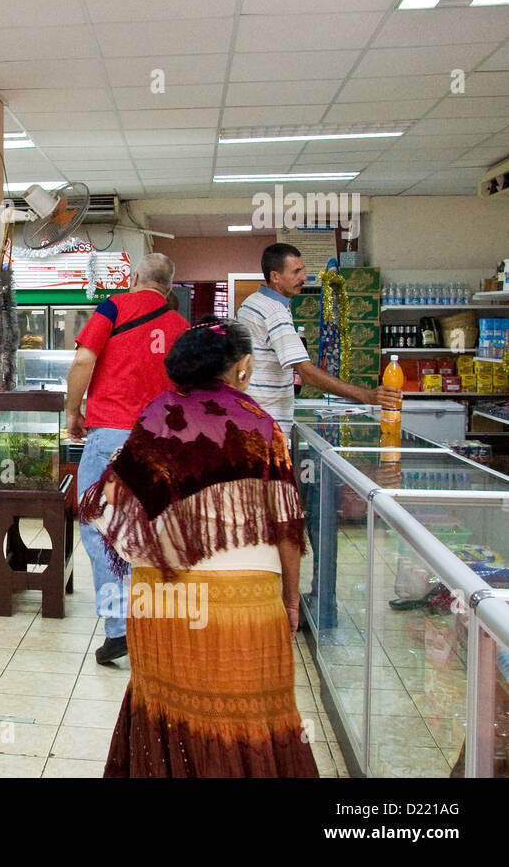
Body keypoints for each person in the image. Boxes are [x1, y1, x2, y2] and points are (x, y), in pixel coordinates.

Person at [77, 317, 318, 777]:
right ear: (243, 368)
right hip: (246, 605)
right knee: (251, 718)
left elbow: (112, 500)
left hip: (163, 600)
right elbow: (287, 524)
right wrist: (290, 600)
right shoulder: (263, 427)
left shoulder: (154, 416)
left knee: (168, 709)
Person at [66, 253, 189, 665]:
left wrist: (72, 410)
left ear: (134, 278)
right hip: (161, 440)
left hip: (113, 437)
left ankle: (119, 628)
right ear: (169, 288)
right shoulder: (181, 326)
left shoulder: (114, 307)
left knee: (101, 530)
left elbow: (84, 359)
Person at [237, 243, 402, 439]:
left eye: (303, 269)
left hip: (251, 416)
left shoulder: (251, 302)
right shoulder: (274, 311)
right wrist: (367, 396)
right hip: (266, 424)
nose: (304, 277)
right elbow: (307, 374)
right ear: (275, 277)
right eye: (296, 272)